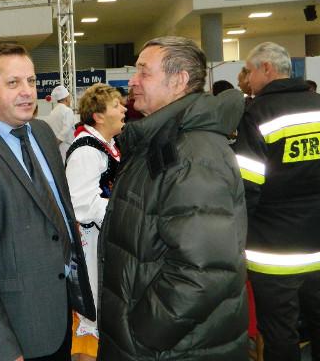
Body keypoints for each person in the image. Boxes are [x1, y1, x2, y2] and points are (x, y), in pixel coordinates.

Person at [0, 42, 95, 361]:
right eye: (13, 83)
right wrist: (2, 349)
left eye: (31, 81)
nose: (27, 91)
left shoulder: (42, 133)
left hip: (58, 316)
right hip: (12, 332)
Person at [98, 36, 248, 361]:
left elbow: (204, 270)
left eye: (144, 72)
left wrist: (141, 336)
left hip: (173, 348)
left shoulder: (193, 154)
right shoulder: (162, 141)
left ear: (179, 81)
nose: (133, 82)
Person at [234, 42, 320, 361]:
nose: (247, 78)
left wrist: (237, 237)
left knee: (279, 331)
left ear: (267, 68)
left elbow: (247, 187)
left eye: (249, 71)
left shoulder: (257, 114)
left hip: (273, 250)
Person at [65, 84, 126, 361]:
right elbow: (79, 203)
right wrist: (121, 212)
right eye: (116, 105)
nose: (123, 109)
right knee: (92, 317)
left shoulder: (107, 146)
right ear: (98, 116)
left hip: (104, 242)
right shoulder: (86, 151)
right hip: (91, 246)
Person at [46, 85, 76, 160]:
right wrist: (57, 142)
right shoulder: (67, 111)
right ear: (66, 99)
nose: (70, 100)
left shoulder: (52, 112)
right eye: (69, 98)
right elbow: (66, 129)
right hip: (66, 147)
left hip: (55, 147)